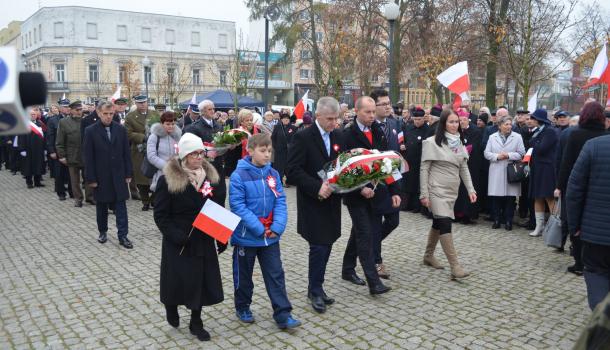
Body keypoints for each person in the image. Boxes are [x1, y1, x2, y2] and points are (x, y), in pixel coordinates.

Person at [153, 133, 224, 342]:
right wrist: (177, 236)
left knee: (200, 280)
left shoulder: (212, 177)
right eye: (194, 154)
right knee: (176, 279)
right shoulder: (168, 180)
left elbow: (218, 208)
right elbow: (161, 215)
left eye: (201, 153)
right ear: (184, 156)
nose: (199, 157)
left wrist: (221, 236)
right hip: (179, 238)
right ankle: (171, 305)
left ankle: (196, 321)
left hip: (203, 238)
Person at [229, 133, 301, 329]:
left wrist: (277, 227)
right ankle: (243, 306)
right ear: (250, 151)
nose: (267, 155)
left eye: (269, 151)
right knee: (244, 276)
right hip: (247, 237)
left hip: (270, 237)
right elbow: (238, 205)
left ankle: (283, 313)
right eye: (262, 151)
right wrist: (259, 228)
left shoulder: (274, 174)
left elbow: (280, 201)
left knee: (276, 274)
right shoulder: (239, 175)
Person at [286, 97, 342, 313]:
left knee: (328, 244)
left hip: (333, 200)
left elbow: (341, 163)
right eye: (330, 119)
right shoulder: (303, 137)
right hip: (313, 201)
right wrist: (316, 186)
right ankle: (315, 290)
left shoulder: (338, 134)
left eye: (336, 118)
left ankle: (316, 287)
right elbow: (292, 171)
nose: (334, 123)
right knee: (318, 246)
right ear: (318, 115)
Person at [341, 96, 400, 295]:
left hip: (376, 192)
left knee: (359, 232)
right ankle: (373, 282)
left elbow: (385, 163)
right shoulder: (347, 135)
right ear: (357, 111)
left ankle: (347, 269)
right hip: (356, 195)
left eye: (374, 111)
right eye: (368, 112)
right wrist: (360, 188)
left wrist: (394, 191)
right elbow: (344, 168)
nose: (372, 116)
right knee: (365, 234)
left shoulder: (378, 130)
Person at [420, 108, 477, 279]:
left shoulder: (459, 143)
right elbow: (424, 169)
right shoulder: (431, 142)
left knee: (438, 223)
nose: (454, 125)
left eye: (456, 121)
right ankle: (455, 266)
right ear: (443, 124)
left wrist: (471, 189)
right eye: (450, 122)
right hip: (435, 188)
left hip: (452, 190)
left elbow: (464, 167)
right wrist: (424, 194)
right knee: (445, 223)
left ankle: (428, 256)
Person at [556, 102, 607, 275]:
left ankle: (579, 262)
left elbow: (566, 162)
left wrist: (560, 185)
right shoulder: (604, 136)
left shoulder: (575, 135)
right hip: (596, 186)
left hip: (575, 184)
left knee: (574, 222)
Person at [566, 132, 610, 310]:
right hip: (596, 232)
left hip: (595, 235)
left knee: (597, 274)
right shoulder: (592, 146)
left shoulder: (594, 146)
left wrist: (574, 226)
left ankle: (602, 322)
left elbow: (574, 191)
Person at [83, 102, 133, 249]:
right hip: (101, 176)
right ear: (99, 113)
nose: (108, 117)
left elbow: (126, 153)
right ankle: (102, 231)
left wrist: (128, 172)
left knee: (121, 207)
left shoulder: (120, 130)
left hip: (118, 175)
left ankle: (123, 235)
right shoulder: (90, 131)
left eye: (111, 114)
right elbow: (88, 156)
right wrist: (91, 178)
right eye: (105, 114)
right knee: (102, 206)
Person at [369, 88, 401, 279]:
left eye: (389, 103)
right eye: (384, 104)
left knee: (393, 221)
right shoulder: (370, 127)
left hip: (393, 179)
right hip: (376, 182)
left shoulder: (394, 124)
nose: (388, 106)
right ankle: (375, 260)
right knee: (374, 223)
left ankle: (368, 247)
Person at [483, 115, 525, 231]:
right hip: (496, 169)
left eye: (510, 124)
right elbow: (486, 153)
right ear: (500, 125)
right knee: (496, 197)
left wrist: (508, 155)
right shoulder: (492, 137)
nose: (509, 126)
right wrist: (497, 156)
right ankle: (496, 220)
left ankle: (508, 221)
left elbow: (522, 153)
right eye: (506, 124)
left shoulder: (517, 137)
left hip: (511, 170)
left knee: (510, 199)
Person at [184, 100, 226, 207]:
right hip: (203, 167)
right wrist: (206, 151)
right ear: (202, 112)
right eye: (210, 109)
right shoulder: (194, 127)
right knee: (206, 196)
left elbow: (223, 145)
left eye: (213, 109)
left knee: (220, 194)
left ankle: (219, 221)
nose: (213, 111)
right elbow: (191, 148)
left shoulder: (218, 126)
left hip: (218, 166)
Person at [125, 94, 160, 211]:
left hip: (154, 149)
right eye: (140, 103)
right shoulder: (130, 117)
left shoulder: (155, 114)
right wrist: (143, 137)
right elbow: (128, 133)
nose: (143, 104)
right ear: (136, 104)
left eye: (144, 102)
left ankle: (153, 200)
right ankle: (145, 201)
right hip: (139, 151)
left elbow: (161, 127)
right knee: (141, 178)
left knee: (156, 176)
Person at [527, 108, 558, 237]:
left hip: (546, 169)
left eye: (532, 118)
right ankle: (539, 226)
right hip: (537, 168)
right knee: (537, 197)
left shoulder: (549, 131)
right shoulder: (536, 132)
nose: (530, 121)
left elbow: (541, 148)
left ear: (538, 120)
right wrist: (534, 141)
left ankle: (555, 228)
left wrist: (534, 141)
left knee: (549, 197)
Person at [454, 109, 483, 224]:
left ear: (468, 120)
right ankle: (456, 213)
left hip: (471, 165)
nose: (462, 122)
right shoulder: (455, 131)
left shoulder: (475, 131)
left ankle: (467, 214)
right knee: (458, 189)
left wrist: (462, 150)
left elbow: (474, 146)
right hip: (457, 164)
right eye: (459, 120)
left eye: (464, 120)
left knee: (468, 189)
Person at [56, 100, 86, 207]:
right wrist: (62, 156)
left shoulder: (86, 121)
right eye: (77, 110)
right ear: (71, 110)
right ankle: (78, 199)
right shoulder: (64, 122)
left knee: (89, 178)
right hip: (72, 155)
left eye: (80, 109)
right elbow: (59, 141)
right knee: (74, 180)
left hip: (86, 155)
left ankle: (91, 197)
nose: (79, 112)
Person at [402, 107, 429, 212]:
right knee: (408, 183)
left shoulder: (427, 130)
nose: (417, 122)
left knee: (418, 184)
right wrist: (403, 145)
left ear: (423, 119)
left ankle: (416, 206)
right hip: (409, 160)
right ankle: (407, 205)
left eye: (419, 119)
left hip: (420, 161)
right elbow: (403, 140)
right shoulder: (408, 128)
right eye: (415, 119)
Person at [147, 112, 182, 192]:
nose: (171, 126)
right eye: (168, 124)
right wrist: (167, 166)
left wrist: (177, 160)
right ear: (162, 124)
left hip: (176, 173)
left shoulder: (177, 136)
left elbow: (180, 152)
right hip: (160, 173)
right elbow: (151, 156)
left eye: (173, 124)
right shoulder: (154, 136)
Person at [47, 102, 71, 200]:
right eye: (64, 107)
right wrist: (51, 150)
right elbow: (50, 137)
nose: (66, 108)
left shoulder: (73, 119)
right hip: (58, 150)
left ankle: (72, 191)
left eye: (68, 106)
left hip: (71, 150)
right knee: (59, 173)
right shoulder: (53, 120)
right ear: (60, 108)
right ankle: (61, 193)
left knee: (71, 173)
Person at [225, 109, 260, 176]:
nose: (250, 122)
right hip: (241, 164)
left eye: (251, 120)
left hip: (256, 163)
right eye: (247, 120)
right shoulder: (236, 132)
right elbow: (231, 153)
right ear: (241, 122)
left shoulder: (258, 130)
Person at [18, 108, 46, 188]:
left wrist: (45, 149)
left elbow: (44, 137)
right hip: (28, 149)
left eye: (34, 114)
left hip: (38, 148)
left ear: (37, 115)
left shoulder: (40, 124)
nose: (33, 116)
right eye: (31, 114)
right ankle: (29, 182)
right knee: (28, 166)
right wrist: (22, 149)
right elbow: (21, 137)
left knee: (38, 165)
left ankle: (37, 182)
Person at [271, 111, 297, 185]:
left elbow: (296, 139)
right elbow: (273, 137)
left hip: (289, 151)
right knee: (279, 166)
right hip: (279, 151)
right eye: (284, 118)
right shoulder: (277, 127)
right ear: (281, 119)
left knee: (288, 166)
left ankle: (288, 180)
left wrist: (293, 147)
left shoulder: (294, 128)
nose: (286, 120)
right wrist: (276, 146)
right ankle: (279, 180)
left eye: (287, 119)